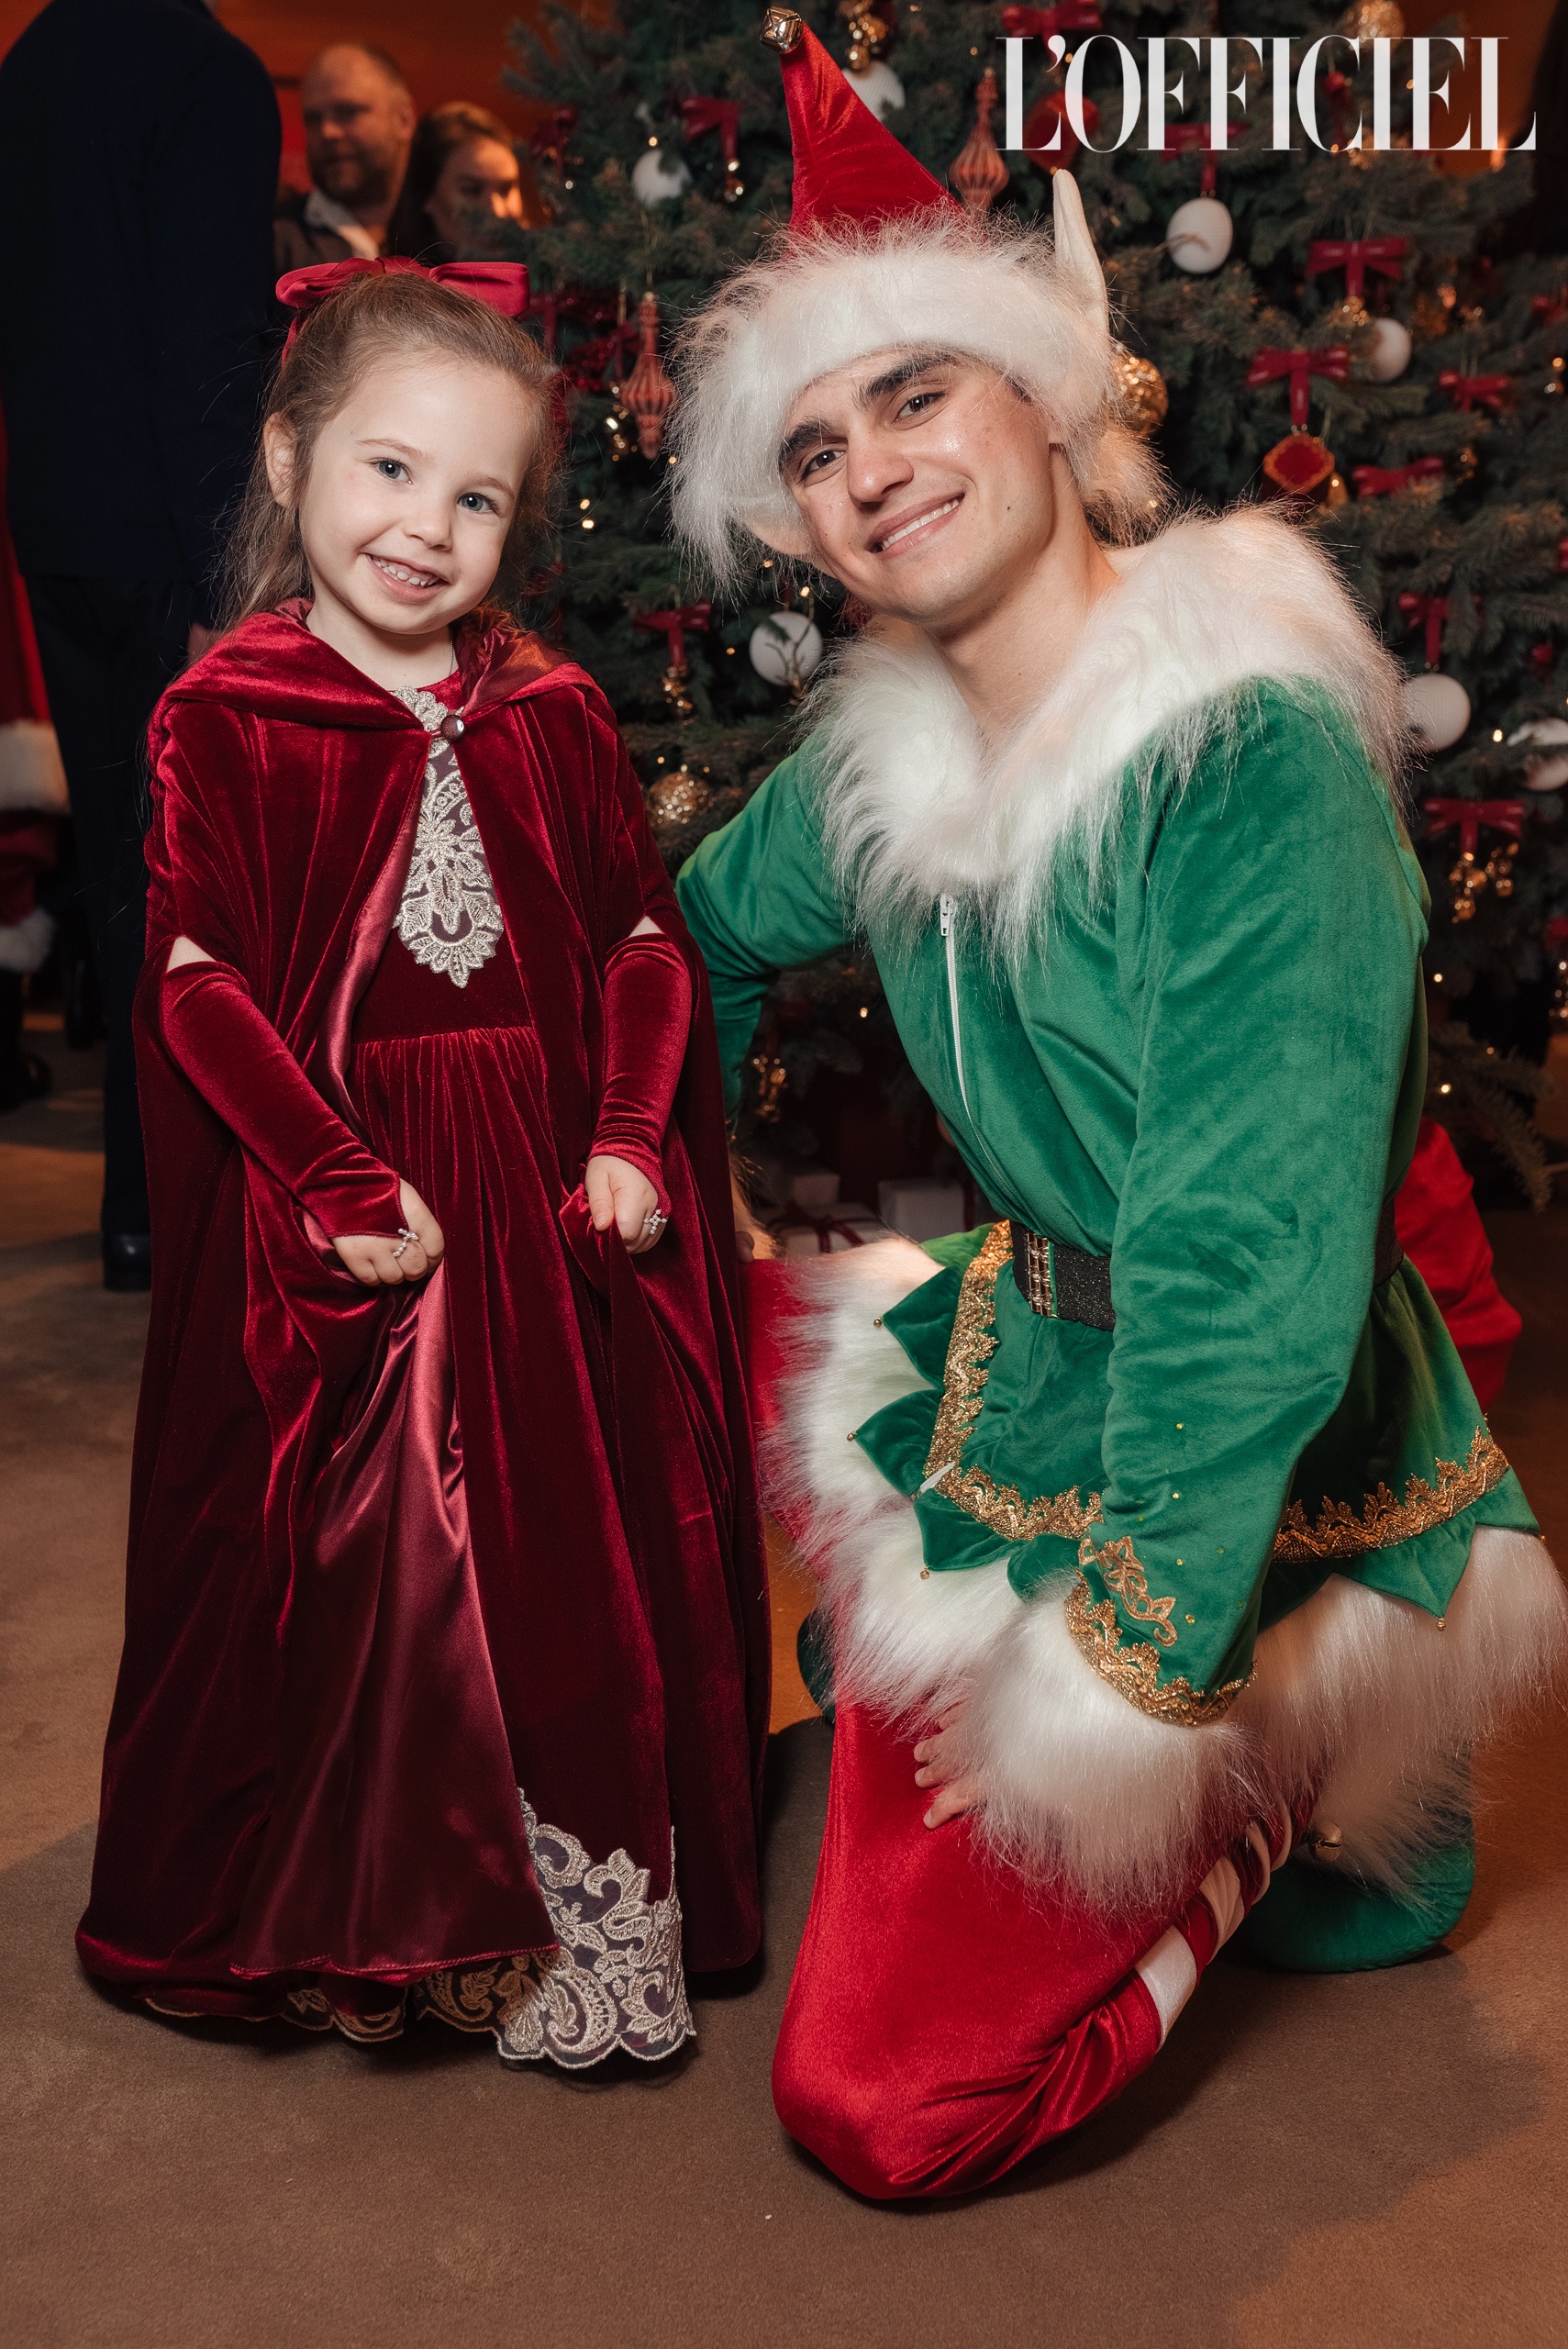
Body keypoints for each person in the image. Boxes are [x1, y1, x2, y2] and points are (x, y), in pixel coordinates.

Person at [671, 18, 1566, 2198]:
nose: (868, 470)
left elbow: (1243, 1281)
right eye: (812, 443)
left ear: (1047, 396)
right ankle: (1265, 1788)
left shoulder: (1247, 758)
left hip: (1232, 1421)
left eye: (916, 392)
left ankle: (1272, 1779)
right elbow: (676, 935)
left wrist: (1123, 1694)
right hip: (1036, 1340)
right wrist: (647, 1154)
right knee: (802, 1613)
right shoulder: (884, 756)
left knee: (882, 2101)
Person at [75, 259, 770, 2062]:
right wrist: (324, 1172)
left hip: (539, 1180)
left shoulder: (551, 710)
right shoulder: (227, 711)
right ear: (288, 459)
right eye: (387, 471)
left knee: (553, 1538)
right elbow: (198, 976)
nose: (424, 528)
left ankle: (562, 1885)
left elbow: (634, 938)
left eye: (475, 498)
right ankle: (382, 1893)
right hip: (359, 1187)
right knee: (374, 1542)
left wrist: (628, 1127)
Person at [0, 0, 279, 1288]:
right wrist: (232, 576)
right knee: (204, 878)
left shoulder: (31, 62)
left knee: (128, 874)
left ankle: (143, 1210)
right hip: (174, 534)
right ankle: (175, 1209)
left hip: (58, 521)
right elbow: (207, 353)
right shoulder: (205, 75)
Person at [274, 45, 416, 270]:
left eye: (348, 112)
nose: (327, 131)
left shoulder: (446, 234)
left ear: (404, 119)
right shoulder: (272, 240)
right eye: (313, 118)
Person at [386, 103, 527, 265]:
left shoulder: (542, 273)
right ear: (426, 195)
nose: (498, 212)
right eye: (472, 190)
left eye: (506, 189)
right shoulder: (392, 278)